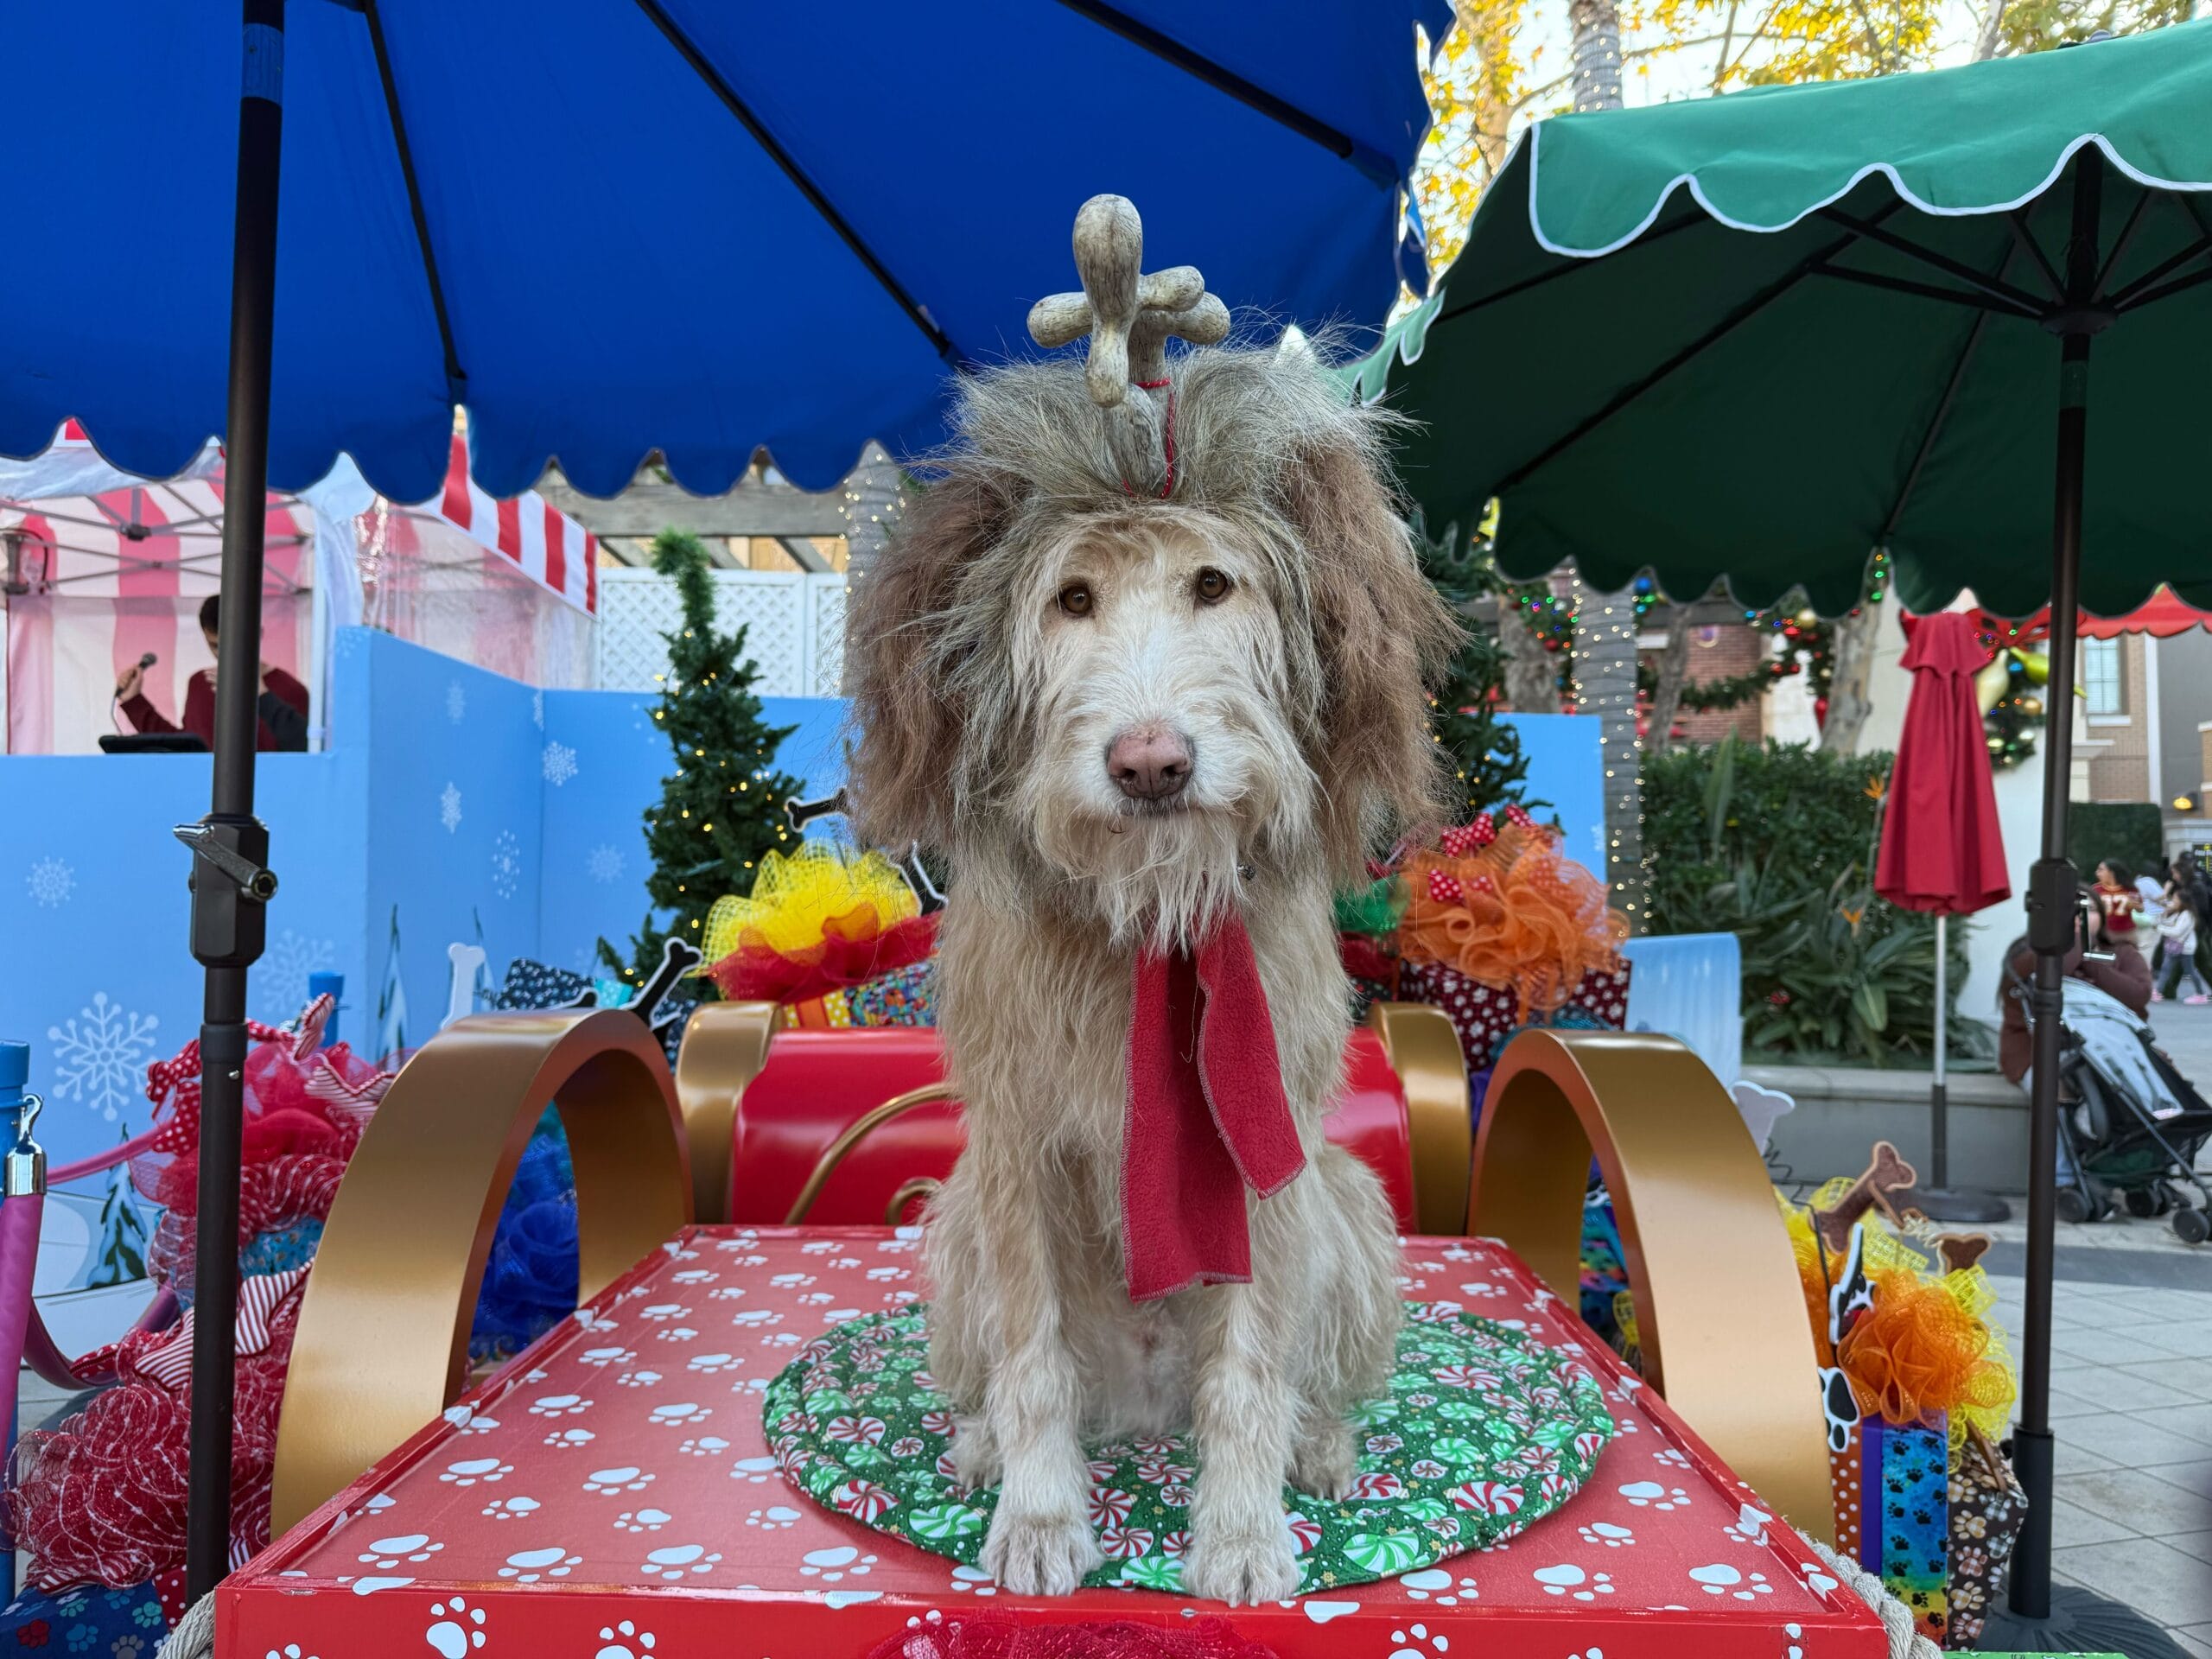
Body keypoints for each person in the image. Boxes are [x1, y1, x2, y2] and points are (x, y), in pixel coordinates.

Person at [114, 594, 308, 752]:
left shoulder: (291, 691)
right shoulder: (200, 683)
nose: (225, 654)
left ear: (258, 633)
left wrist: (262, 697)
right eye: (215, 645)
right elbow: (186, 747)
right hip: (201, 789)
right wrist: (134, 702)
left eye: (234, 643)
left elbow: (301, 755)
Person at [1997, 895, 2152, 1084]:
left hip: (2117, 1052)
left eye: (2089, 909)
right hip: (2037, 1055)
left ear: (2102, 917)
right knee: (2063, 1087)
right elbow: (2056, 971)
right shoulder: (2029, 951)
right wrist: (2078, 939)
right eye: (2070, 909)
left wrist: (2090, 960)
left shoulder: (2122, 952)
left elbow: (2139, 996)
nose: (2079, 916)